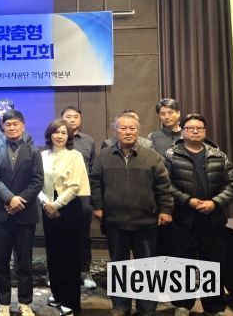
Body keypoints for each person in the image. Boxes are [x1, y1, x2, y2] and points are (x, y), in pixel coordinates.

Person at [90, 112, 173, 316]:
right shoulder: (104, 156)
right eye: (123, 128)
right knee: (119, 266)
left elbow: (163, 185)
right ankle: (121, 306)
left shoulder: (151, 156)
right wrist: (98, 206)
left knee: (147, 266)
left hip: (146, 222)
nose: (128, 132)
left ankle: (147, 308)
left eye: (132, 128)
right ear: (115, 131)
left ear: (138, 131)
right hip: (115, 222)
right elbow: (95, 182)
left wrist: (165, 210)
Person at [163, 114, 233, 316]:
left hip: (212, 220)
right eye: (190, 128)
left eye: (199, 128)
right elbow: (165, 184)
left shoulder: (219, 155)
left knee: (212, 263)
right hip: (182, 219)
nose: (195, 131)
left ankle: (214, 307)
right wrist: (187, 200)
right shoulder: (170, 155)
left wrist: (215, 202)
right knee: (182, 263)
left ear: (205, 131)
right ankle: (182, 304)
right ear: (182, 131)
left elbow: (232, 184)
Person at [0, 109, 43, 316]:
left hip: (25, 214)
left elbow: (37, 181)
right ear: (3, 127)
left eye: (15, 124)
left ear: (23, 125)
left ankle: (25, 302)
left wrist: (20, 200)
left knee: (25, 262)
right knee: (1, 261)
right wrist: (10, 198)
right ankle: (3, 303)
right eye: (8, 124)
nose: (11, 127)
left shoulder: (34, 151)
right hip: (2, 214)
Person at [0, 98, 33, 286]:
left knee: (21, 233)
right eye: (1, 108)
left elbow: (29, 163)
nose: (4, 111)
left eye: (8, 108)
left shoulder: (25, 134)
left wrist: (16, 197)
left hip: (21, 192)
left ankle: (19, 269)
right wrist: (7, 196)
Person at [40, 119, 90, 316]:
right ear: (49, 134)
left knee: (69, 256)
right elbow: (36, 183)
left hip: (69, 208)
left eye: (63, 132)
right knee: (53, 254)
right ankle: (58, 293)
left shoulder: (75, 155)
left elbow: (75, 185)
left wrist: (56, 205)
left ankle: (70, 300)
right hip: (47, 207)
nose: (59, 136)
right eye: (56, 132)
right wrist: (46, 203)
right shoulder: (42, 156)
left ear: (69, 136)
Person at [60, 105, 96, 290]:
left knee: (83, 234)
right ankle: (58, 271)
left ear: (80, 120)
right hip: (59, 194)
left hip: (82, 195)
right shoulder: (56, 138)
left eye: (76, 116)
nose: (72, 119)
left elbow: (93, 170)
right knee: (60, 235)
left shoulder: (88, 141)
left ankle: (84, 270)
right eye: (68, 116)